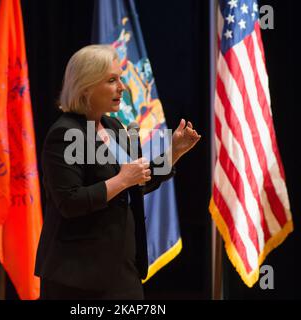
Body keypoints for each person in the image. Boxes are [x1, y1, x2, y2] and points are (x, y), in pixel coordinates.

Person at [34, 44, 201, 299]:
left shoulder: (112, 126)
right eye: (112, 80)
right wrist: (122, 180)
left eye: (120, 78)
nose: (122, 87)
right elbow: (70, 202)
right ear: (86, 87)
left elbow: (137, 180)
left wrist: (173, 153)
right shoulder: (65, 133)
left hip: (122, 273)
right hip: (77, 279)